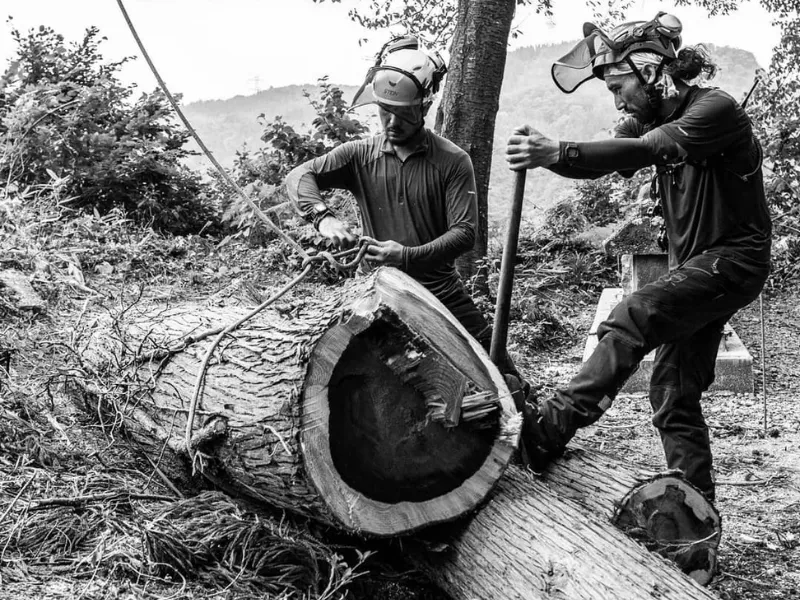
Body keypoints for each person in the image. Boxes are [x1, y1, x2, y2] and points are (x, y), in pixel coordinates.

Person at [505, 12, 771, 501]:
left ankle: (544, 433)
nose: (617, 99)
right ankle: (695, 516)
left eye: (619, 85)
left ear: (650, 72)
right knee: (672, 393)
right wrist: (548, 153)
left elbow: (647, 149)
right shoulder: (652, 118)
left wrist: (556, 150)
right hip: (696, 268)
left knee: (634, 313)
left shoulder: (715, 111)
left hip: (732, 262)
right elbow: (606, 158)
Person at [286, 36, 519, 376]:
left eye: (402, 114)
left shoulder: (452, 161)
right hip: (375, 291)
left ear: (423, 107)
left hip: (440, 293)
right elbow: (299, 175)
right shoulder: (359, 155)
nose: (391, 123)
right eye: (384, 112)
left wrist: (407, 256)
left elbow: (465, 233)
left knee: (500, 371)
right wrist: (324, 219)